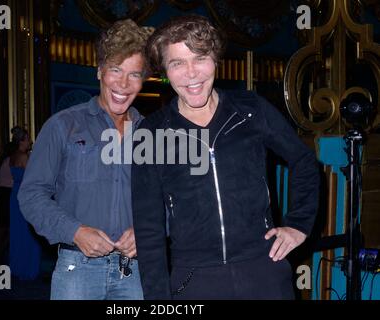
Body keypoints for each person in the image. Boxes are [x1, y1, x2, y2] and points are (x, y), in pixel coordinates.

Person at [131, 15, 320, 300]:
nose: (191, 73)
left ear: (216, 60)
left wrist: (298, 225)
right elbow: (148, 229)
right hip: (194, 280)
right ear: (164, 71)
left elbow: (304, 161)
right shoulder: (152, 132)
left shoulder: (250, 109)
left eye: (200, 58)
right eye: (177, 63)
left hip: (264, 271)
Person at [18, 19, 154, 300]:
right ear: (100, 71)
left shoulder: (151, 134)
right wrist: (75, 231)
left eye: (134, 74)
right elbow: (31, 194)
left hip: (137, 271)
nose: (123, 84)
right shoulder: (62, 126)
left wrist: (148, 229)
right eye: (116, 70)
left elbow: (170, 197)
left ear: (144, 80)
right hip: (77, 268)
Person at [8, 126, 42, 280]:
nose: (31, 141)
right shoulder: (23, 156)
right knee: (28, 233)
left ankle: (17, 266)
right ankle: (28, 270)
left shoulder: (13, 156)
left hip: (15, 195)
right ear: (22, 141)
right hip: (25, 196)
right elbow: (33, 177)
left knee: (17, 233)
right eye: (28, 139)